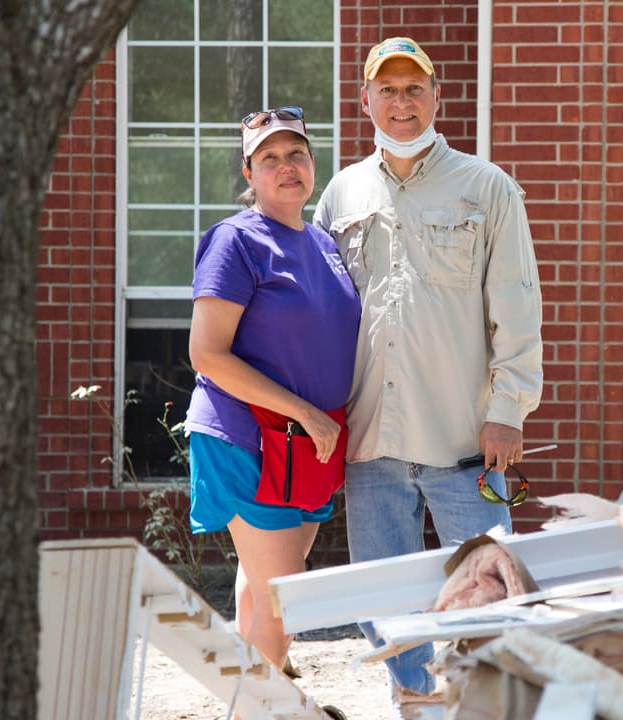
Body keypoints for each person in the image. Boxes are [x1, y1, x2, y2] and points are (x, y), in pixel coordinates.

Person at [314, 37, 543, 703]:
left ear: (438, 96)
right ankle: (415, 705)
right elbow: (320, 315)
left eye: (415, 88)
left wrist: (508, 410)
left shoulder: (488, 188)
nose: (402, 101)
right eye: (388, 89)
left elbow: (519, 308)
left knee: (492, 595)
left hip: (466, 441)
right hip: (371, 443)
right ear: (365, 102)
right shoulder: (341, 194)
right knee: (382, 604)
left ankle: (491, 707)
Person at [184, 106, 361, 673]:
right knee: (285, 601)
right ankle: (275, 699)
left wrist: (316, 420)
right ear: (249, 173)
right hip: (249, 438)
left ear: (313, 164)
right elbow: (207, 354)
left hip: (310, 443)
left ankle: (249, 706)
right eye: (269, 158)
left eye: (296, 154)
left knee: (263, 590)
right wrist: (304, 412)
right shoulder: (235, 242)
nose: (286, 167)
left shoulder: (325, 245)